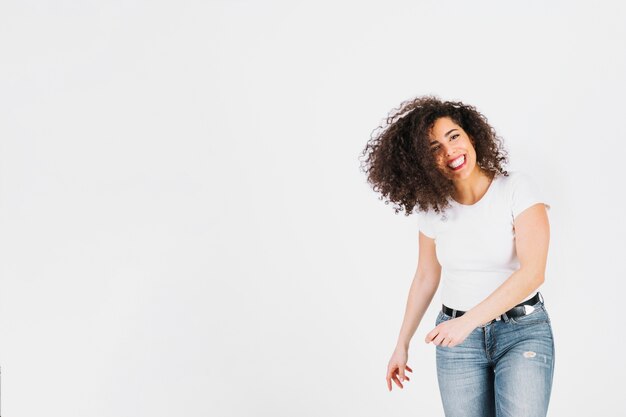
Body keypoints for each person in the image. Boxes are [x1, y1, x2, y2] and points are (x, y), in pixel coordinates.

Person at [360, 96, 555, 417]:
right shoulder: (432, 209)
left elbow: (532, 273)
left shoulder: (517, 189)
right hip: (457, 341)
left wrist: (469, 322)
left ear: (472, 136)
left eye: (454, 137)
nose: (450, 151)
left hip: (521, 332)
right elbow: (425, 276)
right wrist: (401, 344)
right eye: (434, 148)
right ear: (423, 161)